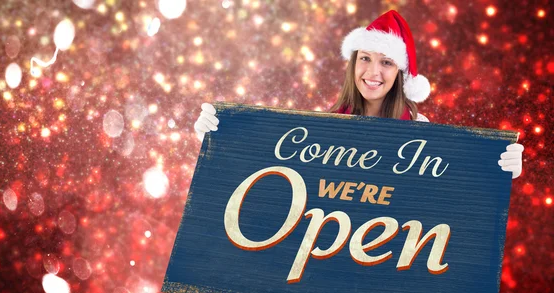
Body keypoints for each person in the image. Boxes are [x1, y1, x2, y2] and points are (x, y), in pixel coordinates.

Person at [193, 10, 523, 179]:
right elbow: (267, 168)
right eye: (365, 58)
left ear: (400, 73)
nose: (372, 72)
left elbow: (455, 186)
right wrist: (219, 139)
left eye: (386, 62)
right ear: (354, 62)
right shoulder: (320, 127)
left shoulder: (423, 131)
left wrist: (496, 168)